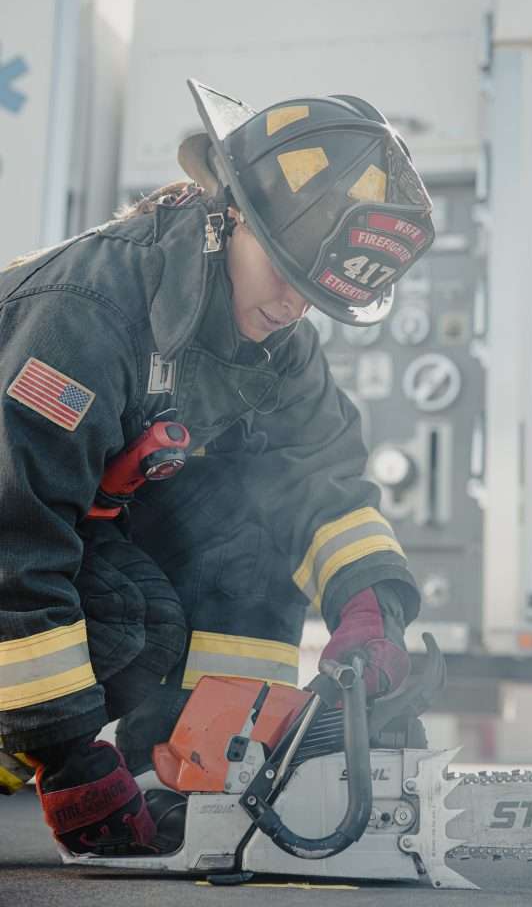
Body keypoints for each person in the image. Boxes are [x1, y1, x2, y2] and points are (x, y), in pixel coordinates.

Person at [0, 80, 434, 856]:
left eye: (313, 294)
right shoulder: (86, 314)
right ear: (231, 213)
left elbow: (321, 484)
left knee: (252, 526)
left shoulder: (278, 344)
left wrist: (372, 612)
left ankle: (211, 765)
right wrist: (68, 758)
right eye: (288, 275)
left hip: (68, 553)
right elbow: (14, 533)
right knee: (114, 616)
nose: (296, 309)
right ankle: (22, 749)